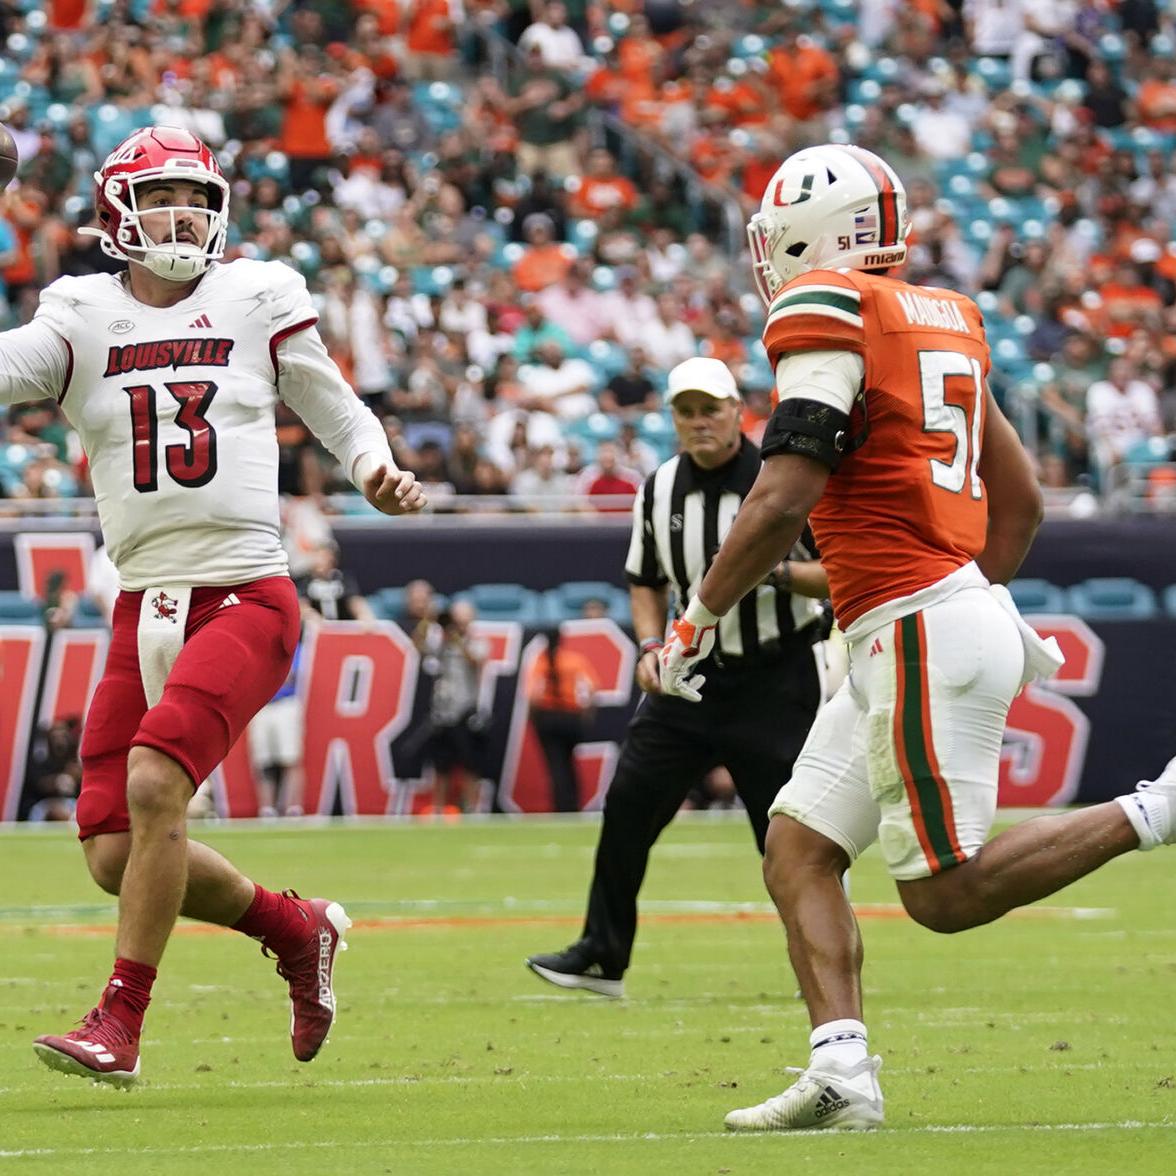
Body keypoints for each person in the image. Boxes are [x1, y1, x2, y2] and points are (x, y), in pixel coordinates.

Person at [657, 143, 1176, 1131]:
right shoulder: (945, 320)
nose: (767, 253)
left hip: (915, 622)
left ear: (822, 229)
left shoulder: (832, 310)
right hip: (930, 613)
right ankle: (841, 1071)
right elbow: (1018, 502)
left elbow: (783, 493)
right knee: (800, 846)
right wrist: (965, 596)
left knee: (944, 894)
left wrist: (696, 615)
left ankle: (1160, 808)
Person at [0, 127, 426, 1087]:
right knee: (114, 849)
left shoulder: (255, 295)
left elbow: (334, 405)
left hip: (247, 590)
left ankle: (121, 1018)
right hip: (143, 599)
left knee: (155, 788)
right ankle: (294, 927)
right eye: (162, 197)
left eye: (196, 195)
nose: (183, 214)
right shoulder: (78, 314)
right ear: (119, 211)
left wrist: (374, 468)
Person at [526, 357, 828, 998]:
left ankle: (824, 959)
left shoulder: (787, 481)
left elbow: (842, 573)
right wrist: (647, 643)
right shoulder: (659, 487)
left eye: (710, 409)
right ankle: (603, 955)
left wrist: (767, 568)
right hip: (688, 678)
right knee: (629, 807)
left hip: (776, 676)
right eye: (686, 412)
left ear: (736, 411)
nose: (699, 423)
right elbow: (644, 581)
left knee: (788, 835)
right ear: (673, 419)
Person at [526, 623, 598, 814]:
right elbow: (590, 690)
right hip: (571, 716)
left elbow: (533, 696)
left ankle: (562, 806)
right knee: (569, 761)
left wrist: (534, 719)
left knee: (555, 763)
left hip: (548, 717)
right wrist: (586, 715)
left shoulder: (541, 662)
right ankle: (573, 804)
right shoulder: (574, 660)